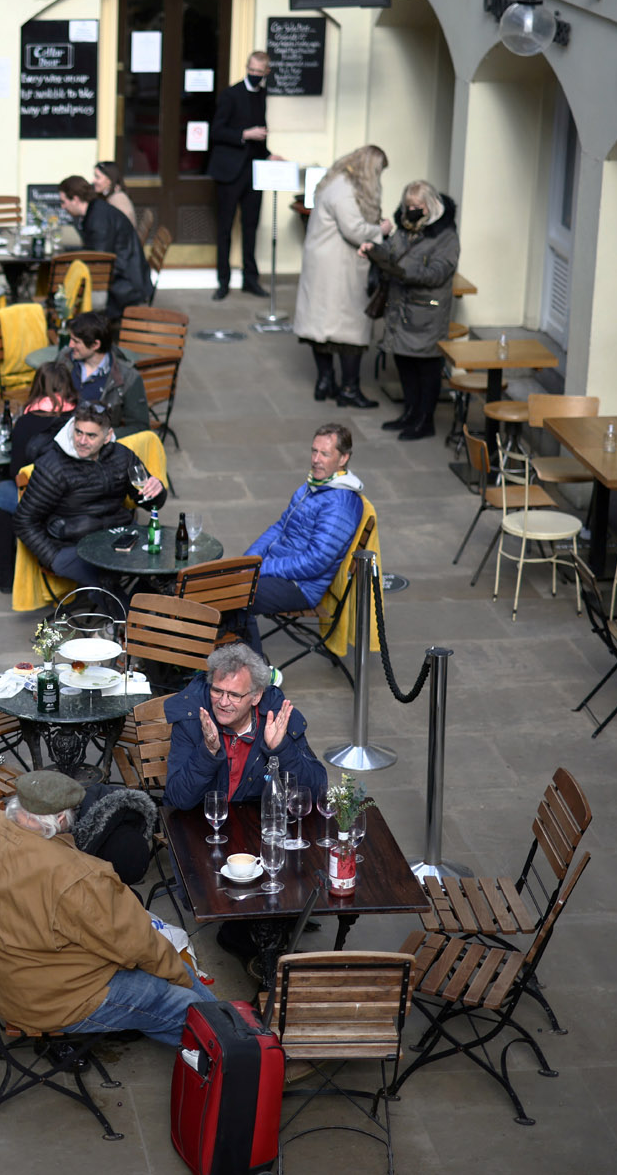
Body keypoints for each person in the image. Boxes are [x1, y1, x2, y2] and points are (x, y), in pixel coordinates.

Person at [0, 769, 213, 1047]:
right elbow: (139, 946)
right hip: (60, 1002)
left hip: (8, 990)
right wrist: (181, 978)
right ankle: (236, 1052)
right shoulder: (81, 876)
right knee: (188, 1005)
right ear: (62, 817)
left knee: (167, 981)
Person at [241, 423, 366, 650]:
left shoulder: (341, 503)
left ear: (343, 458)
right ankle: (226, 664)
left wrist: (261, 568)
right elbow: (280, 526)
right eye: (314, 451)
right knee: (221, 587)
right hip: (279, 568)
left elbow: (314, 562)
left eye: (325, 454)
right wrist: (249, 559)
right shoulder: (315, 485)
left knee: (236, 597)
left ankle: (257, 675)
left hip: (301, 586)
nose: (316, 459)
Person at [16, 402, 166, 589]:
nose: (82, 440)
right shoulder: (52, 467)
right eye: (78, 432)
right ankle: (129, 616)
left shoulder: (121, 455)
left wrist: (156, 490)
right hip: (72, 546)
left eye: (91, 435)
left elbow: (150, 503)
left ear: (107, 436)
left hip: (119, 537)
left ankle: (140, 610)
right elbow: (24, 520)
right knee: (106, 585)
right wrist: (54, 558)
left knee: (165, 567)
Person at [161, 644, 327, 811]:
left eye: (234, 695)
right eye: (217, 691)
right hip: (200, 826)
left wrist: (281, 749)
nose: (223, 703)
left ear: (256, 696)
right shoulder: (191, 720)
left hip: (256, 827)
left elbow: (316, 793)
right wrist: (208, 751)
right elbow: (178, 800)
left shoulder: (278, 721)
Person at [294, 145, 391, 408]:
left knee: (321, 326)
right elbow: (355, 230)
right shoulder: (345, 190)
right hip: (338, 269)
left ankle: (325, 381)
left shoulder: (334, 182)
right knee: (349, 328)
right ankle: (349, 388)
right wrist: (381, 229)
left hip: (325, 265)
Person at [365, 181, 461, 440]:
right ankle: (410, 413)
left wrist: (403, 272)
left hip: (428, 312)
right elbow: (392, 250)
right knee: (404, 362)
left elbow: (438, 273)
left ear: (430, 206)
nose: (411, 211)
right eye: (408, 206)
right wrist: (374, 250)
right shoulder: (405, 229)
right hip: (401, 309)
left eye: (417, 207)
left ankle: (424, 420)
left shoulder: (446, 237)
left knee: (427, 367)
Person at [0, 361, 78, 591]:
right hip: (77, 497)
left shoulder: (27, 422)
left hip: (40, 501)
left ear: (37, 387)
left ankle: (6, 573)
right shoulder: (82, 418)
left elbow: (16, 471)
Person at [208, 50, 278, 300]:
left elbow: (259, 135)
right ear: (247, 67)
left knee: (251, 226)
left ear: (267, 72)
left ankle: (251, 280)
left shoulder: (262, 94)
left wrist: (269, 154)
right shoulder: (230, 94)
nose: (255, 75)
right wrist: (245, 134)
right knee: (225, 228)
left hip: (254, 171)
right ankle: (223, 281)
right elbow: (216, 131)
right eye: (252, 70)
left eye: (260, 72)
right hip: (229, 171)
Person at [58, 175, 152, 314]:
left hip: (125, 285)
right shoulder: (96, 208)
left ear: (76, 199)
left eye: (64, 202)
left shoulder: (98, 220)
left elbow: (97, 262)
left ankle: (66, 325)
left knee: (62, 285)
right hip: (130, 276)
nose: (62, 207)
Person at [56, 311, 151, 437]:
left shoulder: (128, 377)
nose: (70, 345)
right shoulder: (65, 359)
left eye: (76, 341)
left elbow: (140, 427)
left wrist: (102, 437)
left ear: (95, 345)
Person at [93, 161, 139, 235]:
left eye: (97, 177)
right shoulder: (110, 195)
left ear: (109, 180)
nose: (93, 181)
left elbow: (124, 229)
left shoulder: (118, 199)